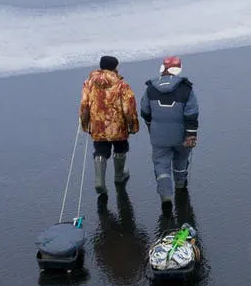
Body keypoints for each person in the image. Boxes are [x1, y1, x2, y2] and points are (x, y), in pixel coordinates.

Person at [140, 55, 199, 210]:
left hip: (159, 136)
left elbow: (145, 111)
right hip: (181, 135)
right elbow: (192, 114)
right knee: (181, 160)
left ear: (162, 68)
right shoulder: (186, 89)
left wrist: (150, 126)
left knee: (161, 164)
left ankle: (166, 196)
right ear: (178, 69)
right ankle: (180, 185)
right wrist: (191, 135)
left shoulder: (151, 88)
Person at [79, 55, 139, 195]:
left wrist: (85, 124)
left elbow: (84, 105)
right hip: (118, 126)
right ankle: (119, 176)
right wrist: (133, 125)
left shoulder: (89, 83)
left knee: (100, 150)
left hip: (98, 125)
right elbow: (128, 108)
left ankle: (100, 182)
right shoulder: (122, 85)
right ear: (115, 67)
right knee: (120, 148)